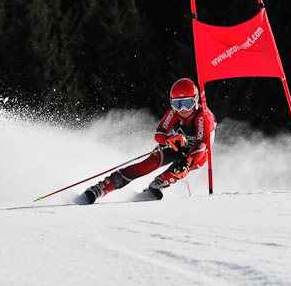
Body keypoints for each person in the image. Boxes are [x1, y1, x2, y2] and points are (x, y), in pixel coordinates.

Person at [83, 78, 216, 203]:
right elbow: (159, 133)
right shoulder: (173, 112)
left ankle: (160, 183)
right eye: (177, 104)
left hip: (198, 153)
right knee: (149, 163)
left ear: (195, 101)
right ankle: (102, 188)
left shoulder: (203, 116)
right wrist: (168, 139)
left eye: (187, 104)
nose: (182, 109)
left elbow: (201, 145)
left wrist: (188, 163)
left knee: (181, 169)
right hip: (176, 145)